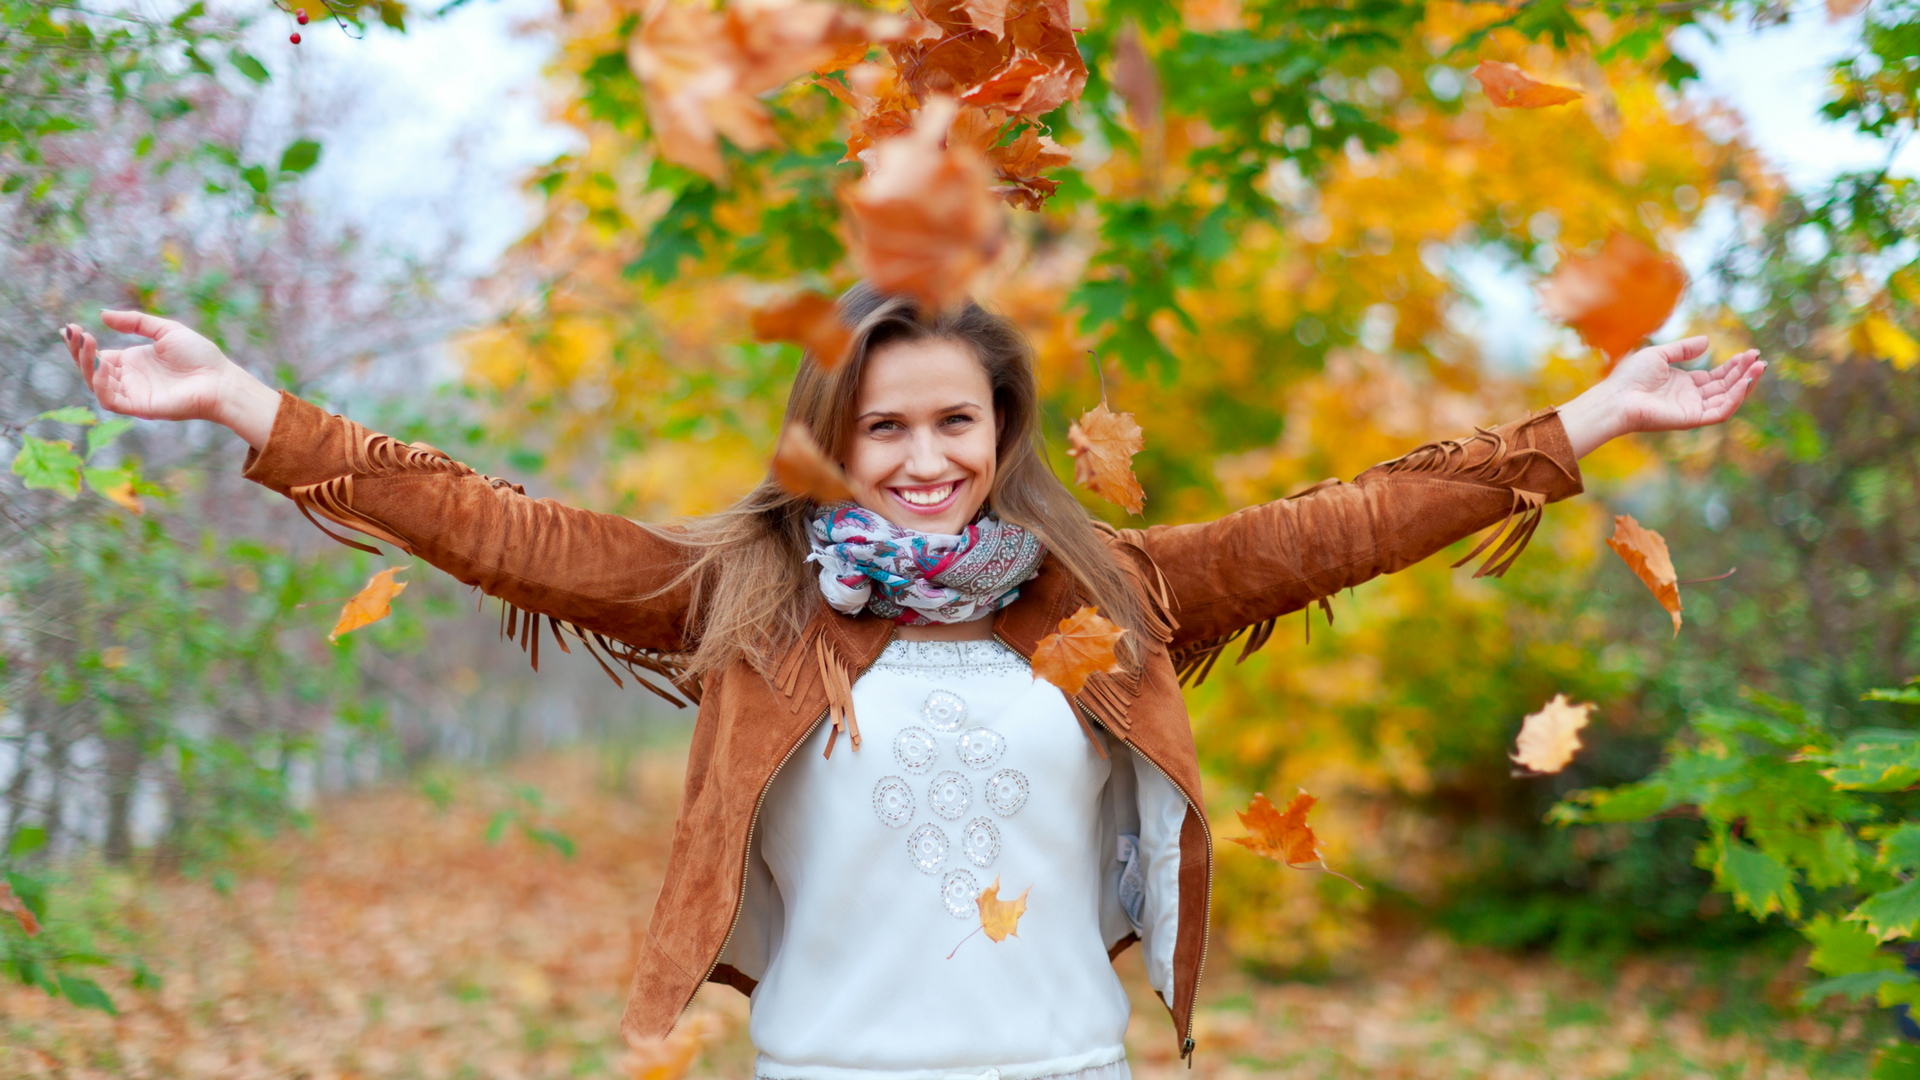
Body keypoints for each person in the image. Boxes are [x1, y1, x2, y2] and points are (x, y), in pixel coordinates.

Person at [59, 286, 1763, 1076]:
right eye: (888, 426)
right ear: (834, 444)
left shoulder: (1112, 585)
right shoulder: (748, 594)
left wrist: (1591, 420)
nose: (926, 455)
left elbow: (1351, 521)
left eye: (958, 420)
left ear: (1002, 434)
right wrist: (249, 410)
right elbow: (510, 530)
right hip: (825, 1072)